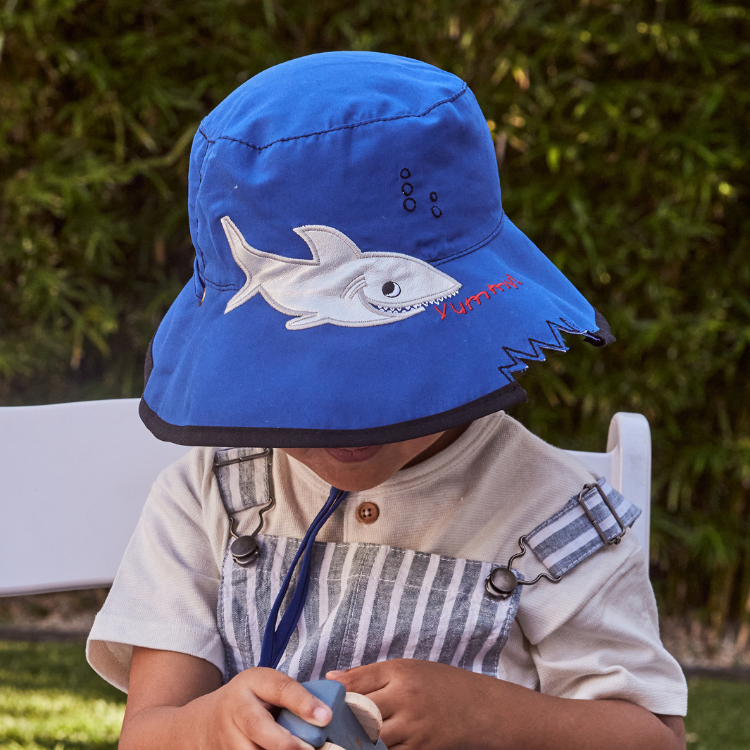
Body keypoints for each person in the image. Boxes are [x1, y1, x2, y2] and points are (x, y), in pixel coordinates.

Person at [86, 51, 687, 750]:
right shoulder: (211, 498)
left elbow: (655, 738)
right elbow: (148, 735)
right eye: (303, 383)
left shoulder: (555, 517)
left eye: (382, 379)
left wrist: (493, 718)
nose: (346, 421)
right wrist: (212, 724)